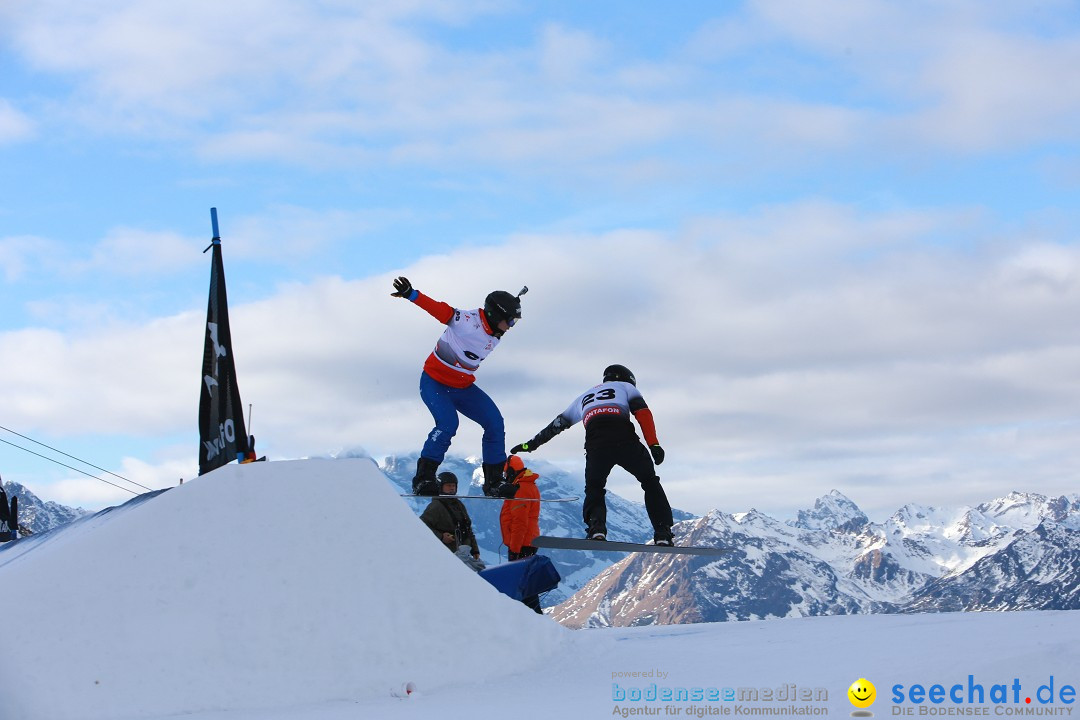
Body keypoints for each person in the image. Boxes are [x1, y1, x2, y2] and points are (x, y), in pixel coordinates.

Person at [511, 364, 674, 546]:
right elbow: (643, 414)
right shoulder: (626, 388)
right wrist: (654, 445)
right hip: (624, 440)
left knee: (594, 488)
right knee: (650, 482)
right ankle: (662, 532)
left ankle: (596, 529)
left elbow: (556, 426)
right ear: (628, 379)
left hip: (596, 446)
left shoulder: (583, 397)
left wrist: (530, 444)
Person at [391, 276, 524, 498]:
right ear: (494, 315)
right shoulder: (467, 322)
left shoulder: (495, 332)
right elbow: (439, 310)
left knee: (494, 423)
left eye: (514, 322)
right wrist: (411, 294)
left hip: (462, 387)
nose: (511, 327)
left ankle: (493, 482)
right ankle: (423, 478)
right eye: (510, 321)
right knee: (448, 424)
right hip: (435, 383)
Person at [499, 455, 544, 613]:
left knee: (522, 585)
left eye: (506, 473)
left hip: (522, 543)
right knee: (527, 583)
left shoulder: (521, 488)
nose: (505, 477)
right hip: (528, 541)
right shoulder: (524, 485)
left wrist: (514, 548)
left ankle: (532, 616)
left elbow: (520, 522)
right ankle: (534, 615)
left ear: (511, 471)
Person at [420, 472, 483, 569]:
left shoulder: (458, 505)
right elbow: (421, 525)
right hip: (446, 556)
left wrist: (475, 551)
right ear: (440, 487)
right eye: (448, 485)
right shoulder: (436, 506)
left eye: (453, 485)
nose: (452, 488)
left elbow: (467, 528)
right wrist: (441, 536)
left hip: (463, 553)